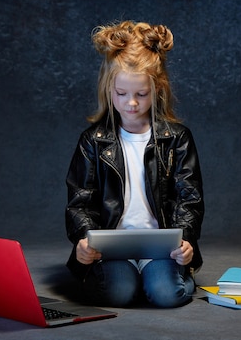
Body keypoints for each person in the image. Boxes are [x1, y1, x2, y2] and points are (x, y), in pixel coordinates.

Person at [65, 20, 204, 308]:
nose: (131, 103)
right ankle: (133, 276)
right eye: (121, 93)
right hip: (112, 249)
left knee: (166, 295)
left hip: (162, 248)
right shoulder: (93, 140)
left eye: (141, 94)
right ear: (108, 89)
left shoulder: (176, 138)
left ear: (158, 90)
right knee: (119, 294)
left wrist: (186, 239)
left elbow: (189, 198)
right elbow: (80, 202)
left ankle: (175, 276)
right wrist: (82, 240)